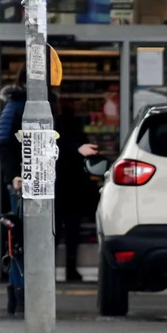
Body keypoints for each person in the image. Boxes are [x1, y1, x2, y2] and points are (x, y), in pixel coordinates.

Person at [50, 92, 98, 282]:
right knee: (72, 231)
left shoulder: (54, 126)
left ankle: (49, 269)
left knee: (54, 231)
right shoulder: (75, 129)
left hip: (57, 185)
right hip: (74, 186)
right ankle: (71, 268)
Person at [0, 66, 27, 316]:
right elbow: (4, 143)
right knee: (19, 241)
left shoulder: (44, 103)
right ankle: (18, 295)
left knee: (27, 240)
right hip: (20, 182)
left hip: (39, 182)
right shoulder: (17, 104)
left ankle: (23, 296)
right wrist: (13, 175)